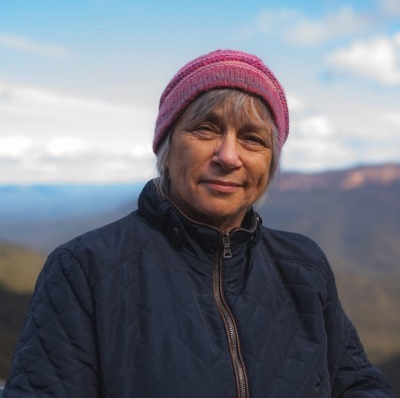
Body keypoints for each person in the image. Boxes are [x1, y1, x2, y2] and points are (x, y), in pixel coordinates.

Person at [4, 49, 395, 398]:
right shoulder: (85, 269)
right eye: (205, 128)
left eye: (253, 139)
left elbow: (356, 382)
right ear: (167, 146)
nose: (228, 156)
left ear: (271, 163)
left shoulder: (305, 267)